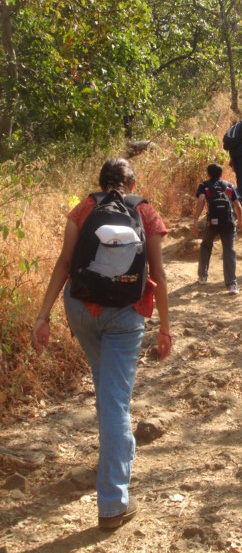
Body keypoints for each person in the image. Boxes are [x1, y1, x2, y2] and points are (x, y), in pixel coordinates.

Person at [32, 158, 171, 530]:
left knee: (108, 391)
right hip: (126, 315)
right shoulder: (145, 211)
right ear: (131, 182)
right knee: (115, 400)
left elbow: (64, 264)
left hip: (80, 310)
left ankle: (115, 455)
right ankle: (113, 503)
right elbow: (158, 274)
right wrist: (166, 328)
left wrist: (43, 316)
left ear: (102, 181)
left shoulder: (84, 208)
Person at [193, 163, 242, 294]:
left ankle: (203, 276)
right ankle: (232, 284)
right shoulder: (229, 186)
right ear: (221, 174)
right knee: (229, 250)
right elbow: (237, 205)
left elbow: (201, 201)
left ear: (208, 174)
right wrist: (240, 220)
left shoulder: (204, 186)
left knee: (205, 245)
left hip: (212, 223)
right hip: (228, 222)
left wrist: (195, 220)